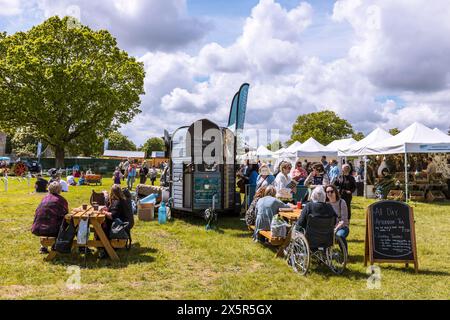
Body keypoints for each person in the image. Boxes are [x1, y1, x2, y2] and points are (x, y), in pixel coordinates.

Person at [31, 181, 69, 254]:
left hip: (37, 228)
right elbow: (65, 215)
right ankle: (56, 245)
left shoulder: (44, 198)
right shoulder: (61, 200)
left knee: (46, 220)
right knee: (68, 223)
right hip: (52, 230)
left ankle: (43, 247)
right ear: (60, 190)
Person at [99, 185, 134, 258]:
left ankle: (106, 249)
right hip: (125, 221)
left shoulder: (118, 202)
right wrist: (107, 209)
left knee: (102, 226)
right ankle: (102, 245)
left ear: (112, 193)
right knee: (102, 224)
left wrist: (104, 212)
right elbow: (113, 211)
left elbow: (112, 216)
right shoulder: (121, 199)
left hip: (121, 224)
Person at [326, 184, 349, 249]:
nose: (329, 193)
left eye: (331, 191)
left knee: (339, 235)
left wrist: (336, 229)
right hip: (329, 227)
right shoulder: (326, 204)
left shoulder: (342, 202)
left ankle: (344, 254)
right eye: (327, 192)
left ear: (335, 192)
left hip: (342, 227)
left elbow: (344, 220)